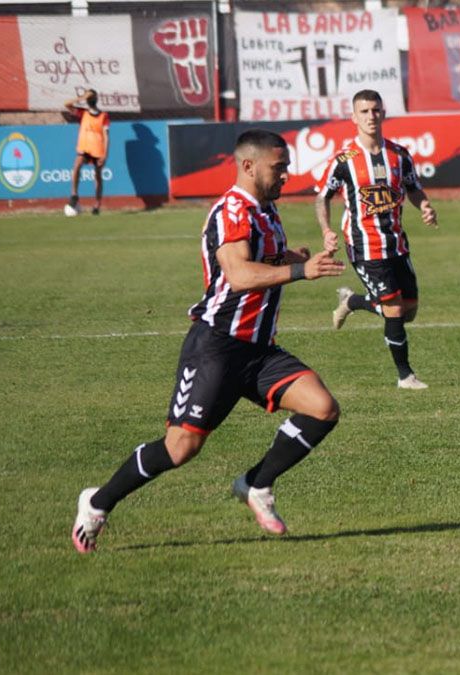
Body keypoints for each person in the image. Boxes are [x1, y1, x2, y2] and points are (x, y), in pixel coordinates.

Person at [71, 130, 346, 553]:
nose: (287, 174)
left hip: (258, 349)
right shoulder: (233, 211)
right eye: (279, 167)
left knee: (323, 409)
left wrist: (294, 259)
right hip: (215, 347)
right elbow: (239, 275)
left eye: (287, 166)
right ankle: (97, 502)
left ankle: (256, 483)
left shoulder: (266, 210)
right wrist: (299, 272)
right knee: (180, 448)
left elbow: (261, 262)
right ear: (249, 166)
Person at [317, 89, 439, 390]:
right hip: (364, 245)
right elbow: (323, 198)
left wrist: (423, 205)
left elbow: (413, 188)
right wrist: (327, 231)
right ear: (354, 117)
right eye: (364, 111)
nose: (371, 116)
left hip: (396, 243)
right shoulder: (344, 160)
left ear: (383, 113)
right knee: (394, 309)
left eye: (375, 110)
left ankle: (353, 301)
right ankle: (405, 376)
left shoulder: (399, 155)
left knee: (408, 310)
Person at [63, 89, 109, 216]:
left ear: (95, 99)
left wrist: (105, 154)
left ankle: (97, 204)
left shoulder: (103, 115)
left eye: (91, 96)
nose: (90, 99)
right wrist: (81, 98)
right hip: (85, 148)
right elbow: (66, 104)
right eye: (89, 97)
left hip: (98, 149)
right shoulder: (83, 113)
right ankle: (74, 194)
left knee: (97, 175)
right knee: (76, 165)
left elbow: (106, 136)